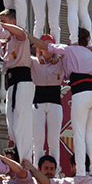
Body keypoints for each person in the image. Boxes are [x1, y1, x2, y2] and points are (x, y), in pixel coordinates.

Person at [28, 27, 92, 177]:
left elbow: (47, 46)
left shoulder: (67, 51)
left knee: (76, 134)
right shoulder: (89, 53)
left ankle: (79, 171)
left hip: (77, 93)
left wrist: (28, 35)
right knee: (88, 132)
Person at [0, 8, 35, 163]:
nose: (1, 25)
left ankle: (25, 160)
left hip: (22, 81)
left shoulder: (20, 37)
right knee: (12, 124)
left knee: (21, 123)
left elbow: (21, 33)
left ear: (13, 22)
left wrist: (2, 26)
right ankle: (17, 155)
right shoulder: (6, 42)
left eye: (4, 22)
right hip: (11, 82)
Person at [31, 37, 64, 167]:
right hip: (38, 103)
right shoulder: (34, 62)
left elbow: (67, 52)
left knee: (54, 140)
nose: (48, 49)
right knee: (38, 140)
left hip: (55, 103)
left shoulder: (60, 63)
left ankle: (55, 172)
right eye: (44, 46)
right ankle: (36, 169)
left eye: (50, 46)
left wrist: (57, 55)